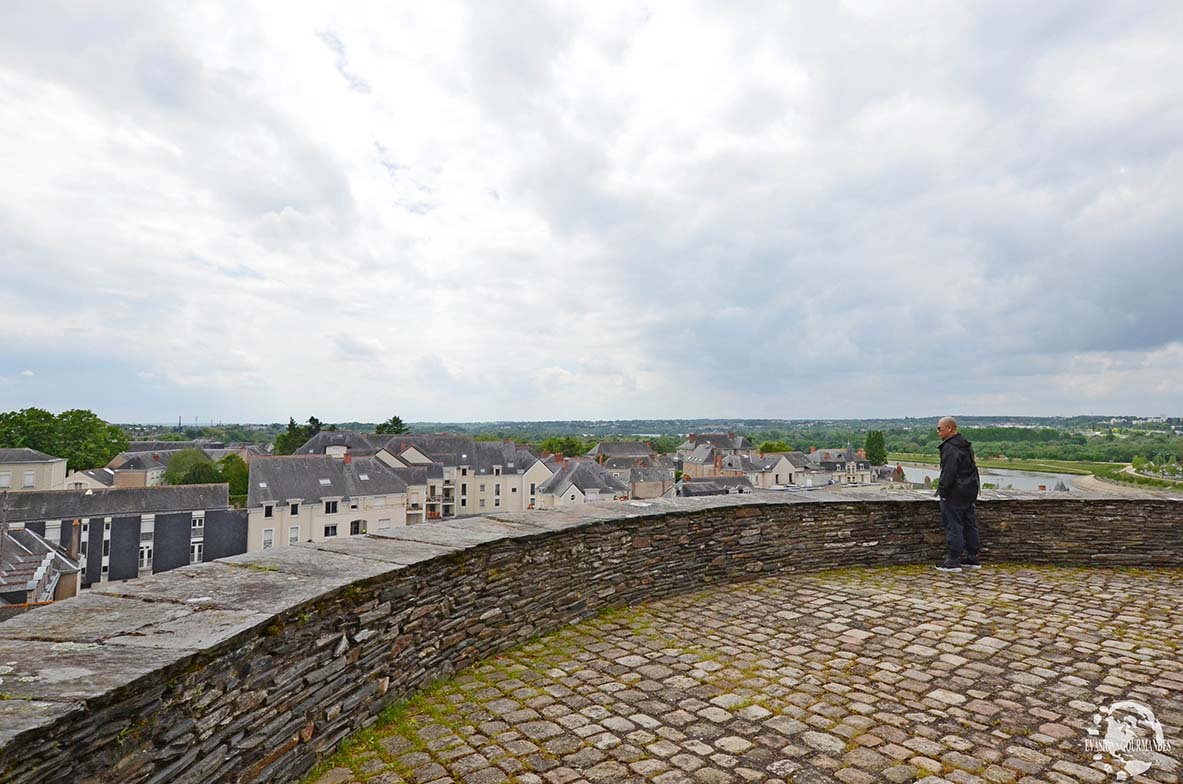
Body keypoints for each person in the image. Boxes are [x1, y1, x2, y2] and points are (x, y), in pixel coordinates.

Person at [935, 416, 981, 572]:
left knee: (954, 525)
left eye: (939, 428)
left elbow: (948, 473)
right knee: (969, 524)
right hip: (969, 491)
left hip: (955, 493)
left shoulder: (951, 448)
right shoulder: (965, 445)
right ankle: (972, 558)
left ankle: (953, 560)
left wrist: (943, 491)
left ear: (949, 428)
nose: (937, 432)